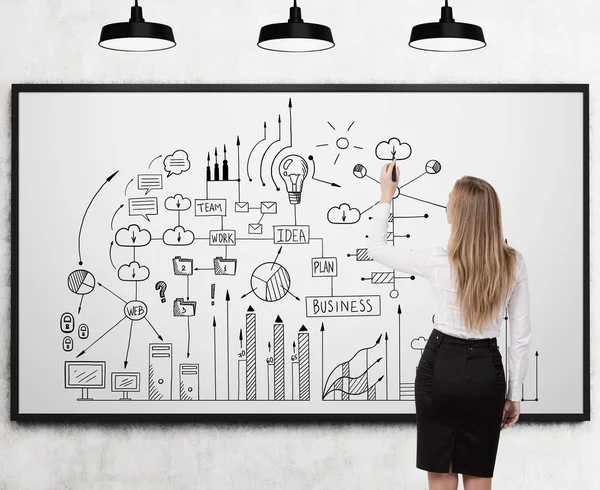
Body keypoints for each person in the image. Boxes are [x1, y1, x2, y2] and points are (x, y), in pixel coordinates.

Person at [367, 161, 531, 489]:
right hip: (486, 372)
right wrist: (514, 393)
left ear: (459, 214)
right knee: (478, 474)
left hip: (440, 367)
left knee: (441, 473)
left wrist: (387, 194)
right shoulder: (513, 262)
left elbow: (376, 248)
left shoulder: (437, 260)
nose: (446, 207)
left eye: (449, 203)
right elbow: (520, 336)